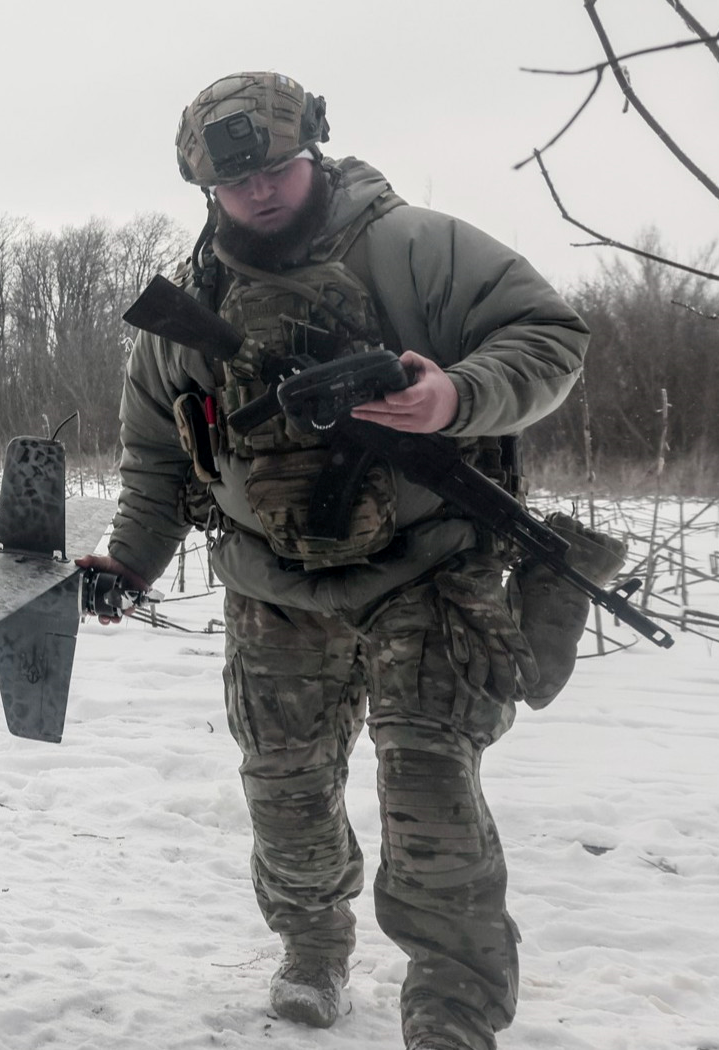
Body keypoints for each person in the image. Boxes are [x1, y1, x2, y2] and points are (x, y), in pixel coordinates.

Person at [80, 72, 607, 1050]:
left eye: (276, 168)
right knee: (284, 801)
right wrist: (126, 561)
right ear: (203, 187)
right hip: (269, 590)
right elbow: (154, 461)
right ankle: (311, 949)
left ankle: (450, 1018)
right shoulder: (186, 307)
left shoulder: (418, 249)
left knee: (430, 803)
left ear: (311, 150)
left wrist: (453, 396)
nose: (260, 193)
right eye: (235, 182)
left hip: (426, 572)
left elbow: (549, 336)